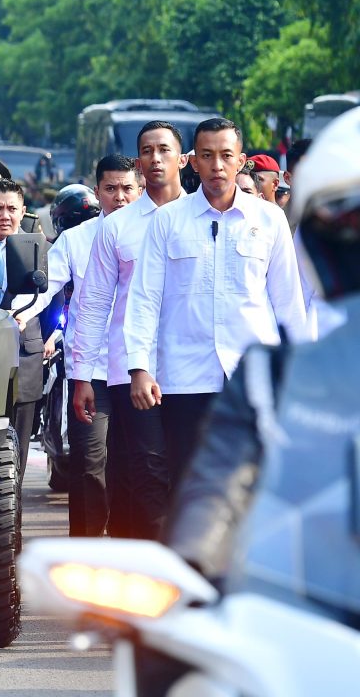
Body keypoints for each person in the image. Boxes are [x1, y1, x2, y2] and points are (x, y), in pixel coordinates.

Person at [167, 108, 360, 626]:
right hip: (306, 611)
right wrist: (190, 567)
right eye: (351, 232)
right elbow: (216, 487)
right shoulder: (268, 380)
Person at [125, 117, 310, 489]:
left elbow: (289, 303)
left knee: (253, 484)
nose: (217, 165)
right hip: (184, 377)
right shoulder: (168, 222)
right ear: (194, 162)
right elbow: (145, 298)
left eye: (226, 155)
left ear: (241, 161)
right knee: (187, 484)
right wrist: (140, 368)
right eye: (207, 156)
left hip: (253, 377)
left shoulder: (269, 219)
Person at [66, 122, 186, 540]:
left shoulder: (206, 218)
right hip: (127, 372)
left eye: (165, 150)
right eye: (147, 151)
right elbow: (94, 305)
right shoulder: (117, 227)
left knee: (186, 472)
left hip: (195, 372)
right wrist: (82, 375)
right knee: (140, 473)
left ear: (182, 159)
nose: (156, 159)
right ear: (139, 162)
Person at [17, 159, 141, 536]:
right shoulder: (76, 239)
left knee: (137, 464)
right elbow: (44, 288)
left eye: (126, 189)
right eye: (110, 189)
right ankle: (84, 551)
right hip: (92, 373)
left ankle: (131, 548)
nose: (119, 198)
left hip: (143, 370)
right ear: (97, 191)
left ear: (138, 190)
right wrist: (16, 313)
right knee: (88, 462)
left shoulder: (157, 232)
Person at [0, 178, 44, 481]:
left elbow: (52, 296)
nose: (4, 216)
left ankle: (13, 523)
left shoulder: (39, 248)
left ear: (23, 211)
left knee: (18, 446)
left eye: (11, 209)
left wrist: (48, 336)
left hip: (25, 355)